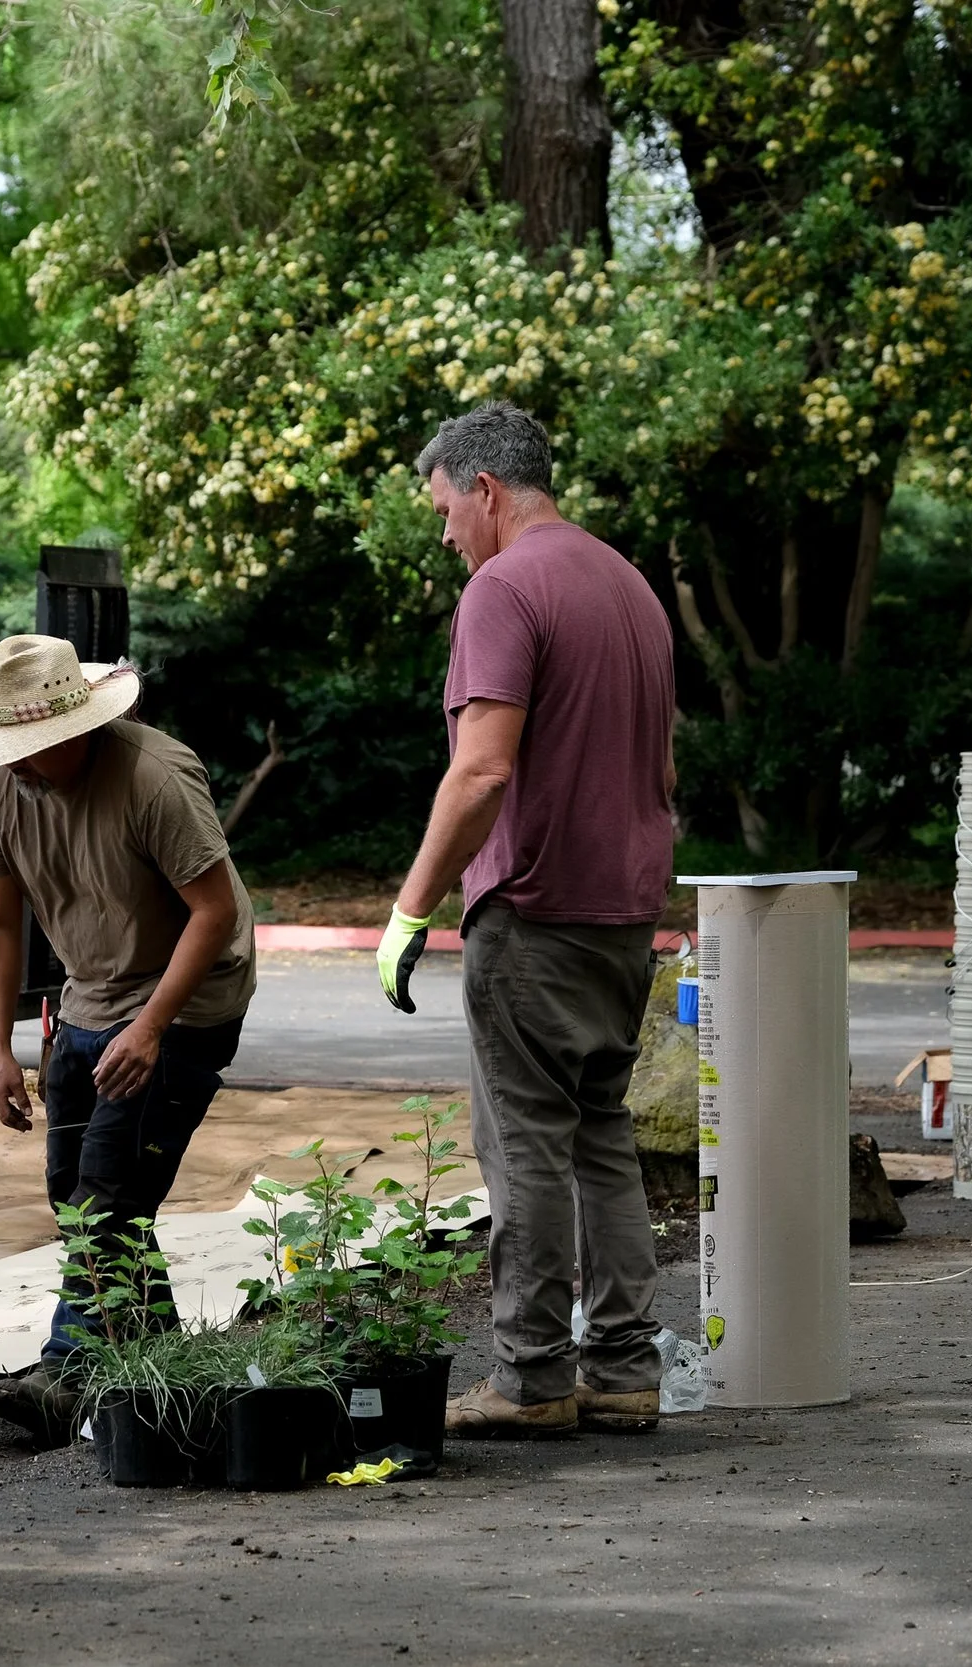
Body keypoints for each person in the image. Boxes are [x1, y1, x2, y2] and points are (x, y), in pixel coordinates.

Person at [376, 401, 676, 1439]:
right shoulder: (627, 584)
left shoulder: (504, 589)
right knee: (600, 1131)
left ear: (485, 489)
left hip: (537, 911)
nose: (446, 532)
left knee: (525, 1146)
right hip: (623, 912)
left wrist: (413, 905)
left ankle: (533, 1374)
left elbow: (482, 768)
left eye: (445, 510)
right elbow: (661, 765)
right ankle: (626, 1369)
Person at [0, 634, 256, 1445]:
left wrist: (151, 1029)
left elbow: (213, 913)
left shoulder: (154, 777)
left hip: (188, 999)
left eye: (29, 750)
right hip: (92, 992)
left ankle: (67, 1372)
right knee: (78, 1193)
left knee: (109, 1194)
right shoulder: (1, 788)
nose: (14, 764)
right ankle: (157, 1361)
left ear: (76, 731)